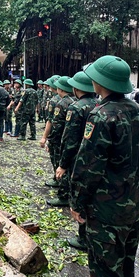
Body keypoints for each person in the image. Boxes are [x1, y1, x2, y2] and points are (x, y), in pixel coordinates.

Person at [69, 55, 139, 277]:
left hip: (105, 209)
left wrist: (77, 202)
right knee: (125, 259)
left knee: (105, 270)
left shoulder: (101, 115)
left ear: (99, 82)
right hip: (133, 205)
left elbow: (88, 165)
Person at [55, 71, 98, 248]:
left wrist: (63, 164)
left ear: (76, 88)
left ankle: (83, 238)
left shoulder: (76, 107)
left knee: (79, 197)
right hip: (95, 159)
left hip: (78, 159)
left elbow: (70, 140)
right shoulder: (99, 104)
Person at [45, 76, 75, 207]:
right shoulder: (74, 101)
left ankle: (63, 194)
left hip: (61, 140)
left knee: (60, 165)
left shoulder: (61, 103)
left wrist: (49, 139)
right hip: (72, 141)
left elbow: (55, 124)